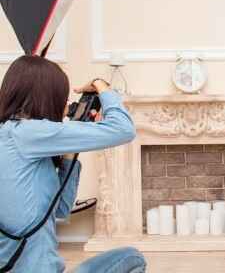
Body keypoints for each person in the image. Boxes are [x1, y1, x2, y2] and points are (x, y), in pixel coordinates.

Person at [0, 55, 146, 272]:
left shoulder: (10, 134)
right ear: (46, 97)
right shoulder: (28, 133)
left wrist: (69, 151)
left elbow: (61, 210)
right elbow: (123, 129)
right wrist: (101, 85)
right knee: (133, 258)